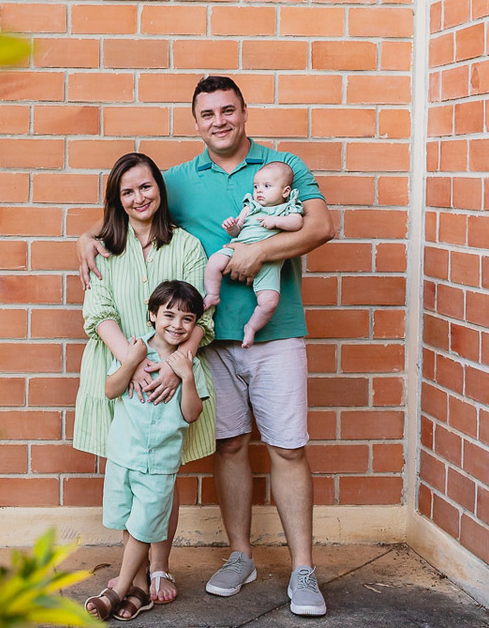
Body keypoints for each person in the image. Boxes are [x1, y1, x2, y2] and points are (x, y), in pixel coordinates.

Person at [77, 75, 335, 618]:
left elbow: (320, 227)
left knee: (288, 447)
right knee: (231, 446)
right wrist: (89, 238)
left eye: (228, 111)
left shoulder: (282, 168)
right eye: (207, 114)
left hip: (275, 331)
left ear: (245, 112)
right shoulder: (178, 179)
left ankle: (303, 569)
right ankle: (240, 556)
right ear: (196, 121)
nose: (219, 121)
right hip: (210, 345)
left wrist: (261, 252)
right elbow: (128, 201)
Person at [73, 152, 217, 607]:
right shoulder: (103, 248)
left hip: (174, 373)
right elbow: (98, 312)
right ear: (117, 200)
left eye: (146, 186)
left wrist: (178, 367)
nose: (139, 197)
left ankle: (157, 570)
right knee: (131, 473)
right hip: (120, 366)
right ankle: (132, 577)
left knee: (163, 475)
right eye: (127, 191)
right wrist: (132, 362)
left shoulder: (187, 246)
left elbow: (201, 318)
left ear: (160, 188)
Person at [84, 281, 211, 622]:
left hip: (160, 463)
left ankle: (116, 590)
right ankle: (140, 589)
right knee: (128, 521)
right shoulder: (135, 348)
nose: (177, 325)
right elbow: (111, 390)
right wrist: (131, 362)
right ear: (152, 315)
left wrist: (185, 378)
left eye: (187, 319)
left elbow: (192, 413)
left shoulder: (189, 363)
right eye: (168, 315)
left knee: (144, 527)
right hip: (124, 455)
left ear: (195, 323)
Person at [203, 160, 304, 348]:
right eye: (256, 186)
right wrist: (232, 227)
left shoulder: (287, 208)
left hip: (270, 262)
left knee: (269, 302)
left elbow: (297, 224)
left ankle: (251, 327)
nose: (259, 191)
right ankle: (212, 295)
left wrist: (276, 221)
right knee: (214, 262)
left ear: (285, 191)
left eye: (267, 186)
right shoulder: (251, 206)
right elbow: (238, 229)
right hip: (239, 246)